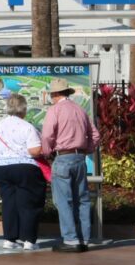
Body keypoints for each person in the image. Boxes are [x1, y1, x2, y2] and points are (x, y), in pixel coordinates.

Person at [41, 78, 101, 253]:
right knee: (82, 199)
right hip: (79, 159)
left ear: (55, 94)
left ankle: (70, 239)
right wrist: (85, 150)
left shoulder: (55, 110)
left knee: (64, 201)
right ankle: (85, 238)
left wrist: (47, 152)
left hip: (62, 158)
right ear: (67, 93)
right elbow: (95, 135)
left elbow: (46, 136)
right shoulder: (80, 110)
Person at [0, 93, 46, 251]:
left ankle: (9, 238)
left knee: (9, 203)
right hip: (24, 168)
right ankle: (29, 240)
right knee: (29, 203)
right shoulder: (27, 127)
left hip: (1, 167)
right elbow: (34, 151)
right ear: (24, 110)